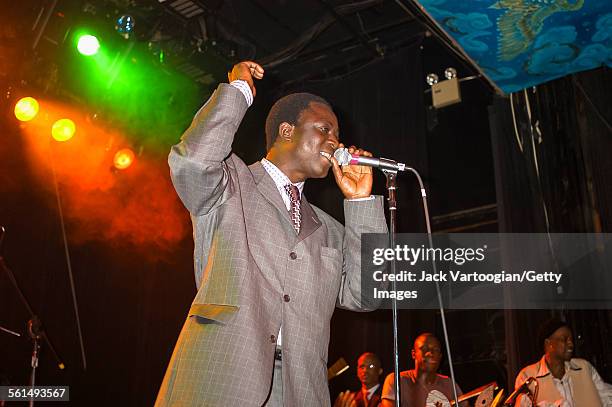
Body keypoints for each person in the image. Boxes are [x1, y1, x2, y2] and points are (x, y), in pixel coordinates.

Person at [155, 61, 388, 406]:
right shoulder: (231, 182)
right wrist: (238, 93)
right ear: (287, 131)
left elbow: (367, 295)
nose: (335, 142)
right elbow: (191, 164)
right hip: (224, 376)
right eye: (324, 129)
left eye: (337, 134)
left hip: (299, 389)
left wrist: (362, 202)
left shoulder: (328, 229)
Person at [514, 318, 612, 406]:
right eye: (564, 339)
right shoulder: (527, 376)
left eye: (571, 339)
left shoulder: (584, 367)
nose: (571, 344)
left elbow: (608, 398)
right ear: (548, 344)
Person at [381, 333, 467, 407]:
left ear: (440, 356)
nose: (430, 353)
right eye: (424, 348)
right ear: (413, 354)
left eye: (436, 350)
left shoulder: (449, 384)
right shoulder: (396, 380)